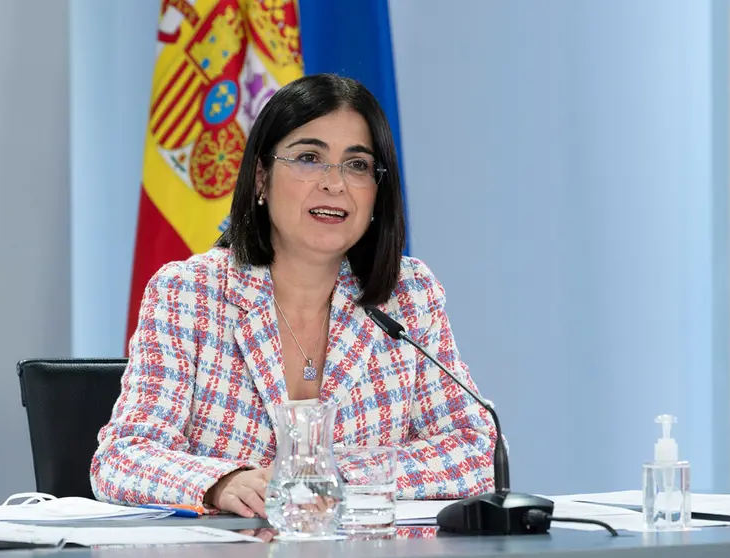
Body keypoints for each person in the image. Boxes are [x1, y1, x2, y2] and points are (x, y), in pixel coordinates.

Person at [91, 73, 498, 518]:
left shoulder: (407, 295)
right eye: (309, 158)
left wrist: (328, 477)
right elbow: (122, 458)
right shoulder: (189, 294)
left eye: (358, 165)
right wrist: (221, 483)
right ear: (261, 178)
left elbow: (476, 450)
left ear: (378, 191)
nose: (335, 183)